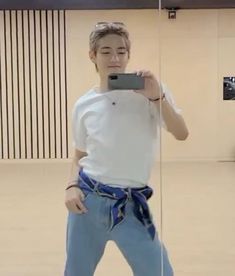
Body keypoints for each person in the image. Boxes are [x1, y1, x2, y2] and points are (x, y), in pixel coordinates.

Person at [64, 22, 189, 276]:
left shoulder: (150, 91)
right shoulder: (83, 105)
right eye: (106, 51)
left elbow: (181, 133)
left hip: (131, 205)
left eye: (121, 51)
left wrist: (156, 98)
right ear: (93, 55)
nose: (115, 58)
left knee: (159, 272)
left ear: (128, 55)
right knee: (77, 272)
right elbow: (80, 154)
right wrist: (71, 185)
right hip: (88, 202)